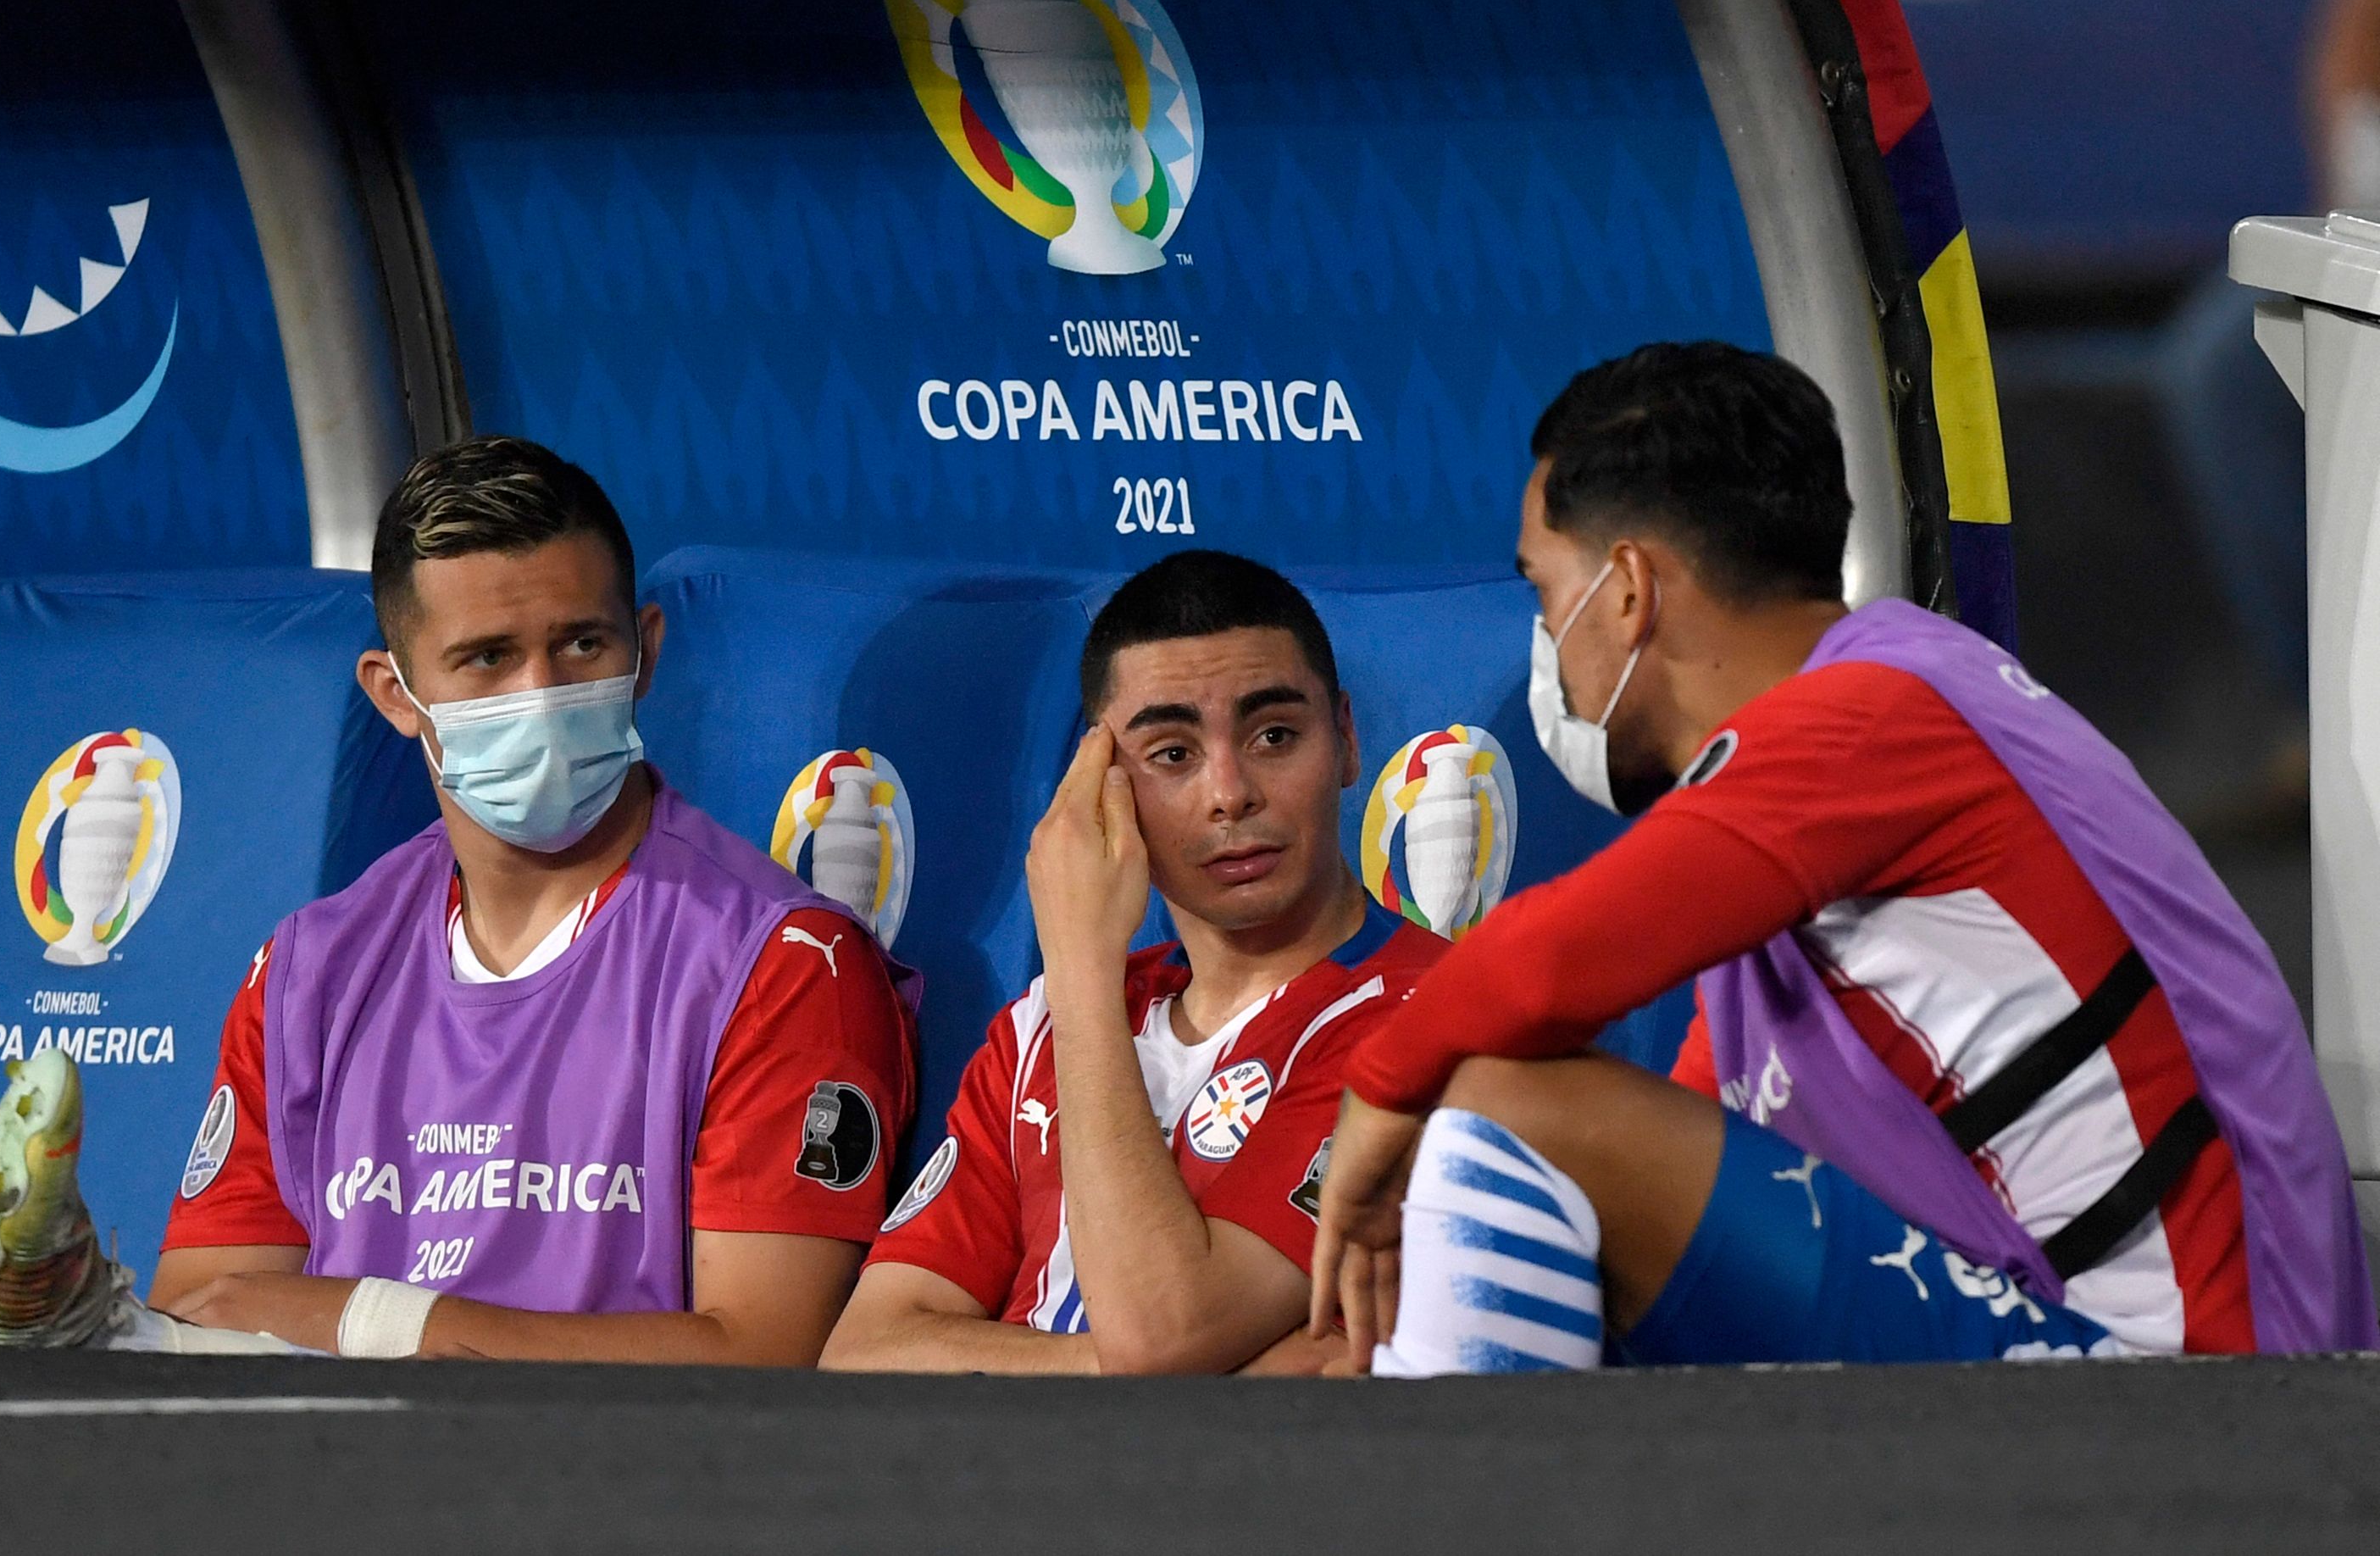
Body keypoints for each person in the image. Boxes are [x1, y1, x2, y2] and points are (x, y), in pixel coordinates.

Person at [1307, 342, 2376, 1375]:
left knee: (1504, 1102)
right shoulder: (1848, 760)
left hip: (2191, 1378)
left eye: (1544, 591)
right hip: (2102, 1342)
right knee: (1558, 1196)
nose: (1546, 643)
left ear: (1628, 589)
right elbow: (1685, 1158)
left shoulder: (1870, 713)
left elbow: (1540, 967)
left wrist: (1379, 1098)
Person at [0, 437, 918, 1363]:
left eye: (581, 645)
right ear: (393, 692)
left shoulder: (779, 961)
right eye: (486, 659)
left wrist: (379, 1322)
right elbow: (194, 1314)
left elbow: (761, 1356)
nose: (540, 693)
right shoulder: (310, 968)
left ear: (645, 651)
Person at [822, 552, 1445, 1374]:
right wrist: (1117, 1368)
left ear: (1348, 741)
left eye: (1275, 735)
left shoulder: (1430, 1018)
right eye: (1173, 754)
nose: (1230, 792)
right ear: (1101, 781)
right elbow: (864, 1351)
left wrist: (1078, 964)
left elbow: (1165, 1333)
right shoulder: (1038, 1032)